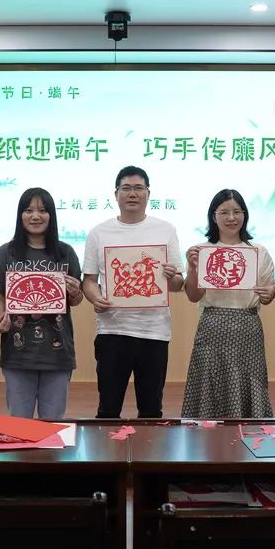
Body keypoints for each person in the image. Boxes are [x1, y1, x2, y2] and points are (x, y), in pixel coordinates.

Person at [82, 166, 183, 418]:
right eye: (126, 188)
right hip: (112, 331)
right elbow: (89, 281)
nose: (132, 193)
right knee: (108, 409)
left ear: (149, 193)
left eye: (139, 188)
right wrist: (95, 297)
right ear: (116, 194)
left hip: (154, 332)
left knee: (151, 410)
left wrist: (171, 276)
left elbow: (177, 284)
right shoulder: (98, 233)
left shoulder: (166, 230)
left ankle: (149, 446)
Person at [0, 188, 83, 419]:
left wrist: (75, 292)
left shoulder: (66, 252)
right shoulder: (6, 252)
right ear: (20, 215)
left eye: (42, 210)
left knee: (53, 425)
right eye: (29, 210)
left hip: (58, 353)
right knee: (19, 425)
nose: (36, 216)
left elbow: (76, 300)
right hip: (18, 353)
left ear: (51, 216)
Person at [181, 189, 275, 418]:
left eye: (237, 211)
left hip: (248, 326)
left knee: (249, 379)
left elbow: (270, 292)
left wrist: (268, 293)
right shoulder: (202, 251)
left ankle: (248, 432)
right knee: (210, 380)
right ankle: (208, 434)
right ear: (214, 217)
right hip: (212, 325)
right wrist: (192, 268)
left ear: (245, 215)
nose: (231, 218)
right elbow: (193, 296)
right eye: (224, 212)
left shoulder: (258, 251)